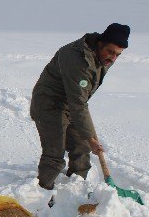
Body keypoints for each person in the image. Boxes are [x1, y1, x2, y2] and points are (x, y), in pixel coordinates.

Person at [29, 23, 130, 201]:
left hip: (71, 102)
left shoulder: (100, 57)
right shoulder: (78, 60)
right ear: (100, 43)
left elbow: (79, 101)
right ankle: (42, 196)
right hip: (49, 103)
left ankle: (75, 189)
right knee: (55, 154)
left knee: (81, 148)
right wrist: (91, 138)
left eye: (117, 55)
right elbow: (79, 103)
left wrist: (88, 138)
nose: (113, 58)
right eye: (111, 52)